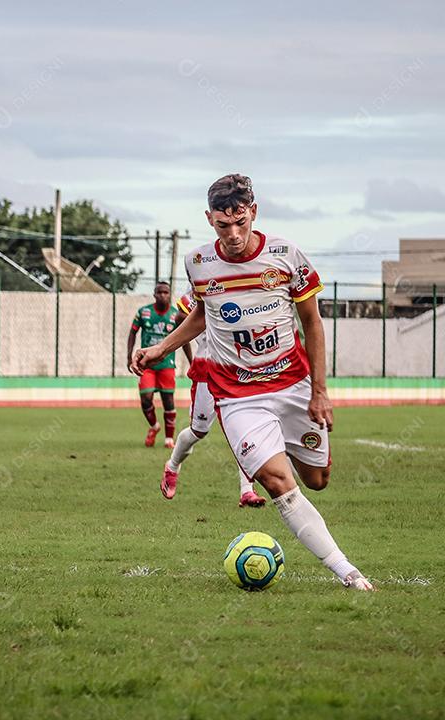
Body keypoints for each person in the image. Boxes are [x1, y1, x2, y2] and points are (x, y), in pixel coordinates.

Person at [131, 173, 373, 591]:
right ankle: (346, 571)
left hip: (293, 386)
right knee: (278, 483)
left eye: (240, 222)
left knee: (318, 481)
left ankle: (295, 447)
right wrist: (162, 348)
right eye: (223, 226)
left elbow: (312, 323)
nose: (233, 234)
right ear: (209, 219)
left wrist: (320, 391)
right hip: (238, 394)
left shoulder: (286, 255)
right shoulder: (198, 264)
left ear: (253, 213)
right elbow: (204, 313)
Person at [162, 288, 266, 507]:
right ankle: (172, 466)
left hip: (236, 369)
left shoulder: (242, 288)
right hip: (206, 370)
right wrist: (195, 341)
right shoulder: (198, 292)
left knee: (241, 429)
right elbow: (180, 317)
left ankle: (247, 490)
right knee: (198, 431)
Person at [127, 282, 191, 448]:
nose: (163, 295)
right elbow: (132, 332)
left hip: (167, 364)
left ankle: (169, 439)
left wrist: (192, 362)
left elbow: (184, 339)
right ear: (154, 294)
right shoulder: (144, 312)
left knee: (168, 400)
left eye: (166, 292)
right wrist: (129, 356)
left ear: (170, 294)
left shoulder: (175, 315)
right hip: (146, 364)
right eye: (159, 292)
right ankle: (154, 426)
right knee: (146, 399)